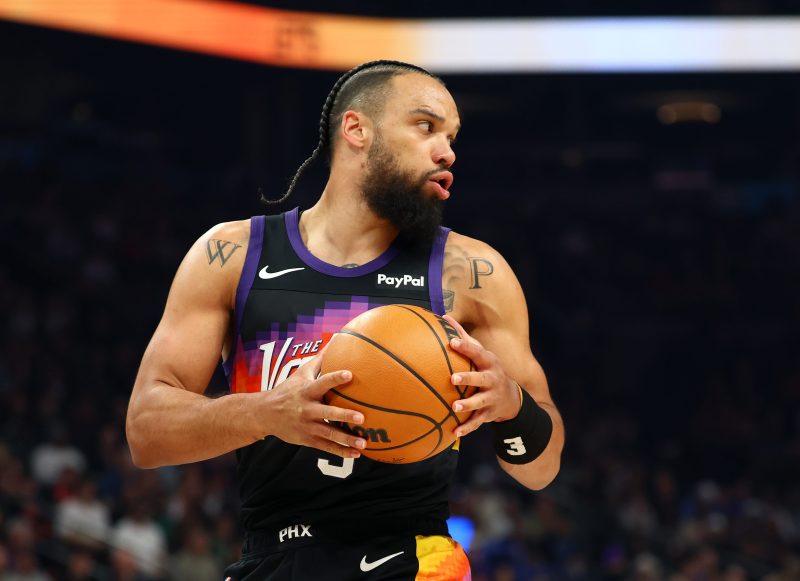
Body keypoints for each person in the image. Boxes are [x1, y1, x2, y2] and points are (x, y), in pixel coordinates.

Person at [126, 60, 565, 580]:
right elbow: (146, 432)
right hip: (271, 557)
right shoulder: (232, 254)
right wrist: (266, 413)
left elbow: (542, 470)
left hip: (411, 557)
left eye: (451, 137)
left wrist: (512, 404)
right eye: (426, 126)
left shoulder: (471, 272)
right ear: (357, 129)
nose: (447, 151)